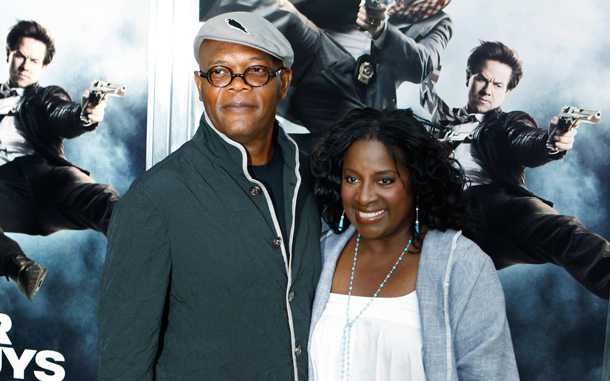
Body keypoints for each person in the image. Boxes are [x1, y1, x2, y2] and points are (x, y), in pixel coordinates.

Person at [98, 12, 322, 380]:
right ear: (200, 86)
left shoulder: (316, 179)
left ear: (283, 83)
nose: (237, 86)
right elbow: (123, 364)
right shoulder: (153, 200)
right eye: (219, 72)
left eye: (255, 71)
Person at [309, 107, 518, 380]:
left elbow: (491, 374)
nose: (364, 196)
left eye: (385, 180)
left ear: (418, 182)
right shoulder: (320, 255)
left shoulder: (463, 266)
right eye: (352, 178)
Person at [420, 41, 610, 299]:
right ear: (469, 78)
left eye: (498, 85)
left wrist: (550, 142)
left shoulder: (508, 122)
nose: (487, 90)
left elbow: (525, 140)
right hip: (442, 212)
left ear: (507, 91)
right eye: (482, 80)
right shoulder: (443, 121)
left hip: (496, 206)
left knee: (562, 230)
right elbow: (429, 101)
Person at [202, 0, 453, 150]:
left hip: (358, 94)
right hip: (320, 50)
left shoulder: (439, 22)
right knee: (280, 11)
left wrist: (382, 31)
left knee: (340, 153)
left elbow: (422, 64)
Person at [0, 20, 119, 300]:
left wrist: (84, 114)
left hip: (43, 176)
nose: (24, 65)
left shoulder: (44, 97)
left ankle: (144, 245)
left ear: (42, 67)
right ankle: (18, 267)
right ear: (8, 54)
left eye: (34, 60)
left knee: (97, 196)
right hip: (5, 192)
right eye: (19, 55)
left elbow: (61, 113)